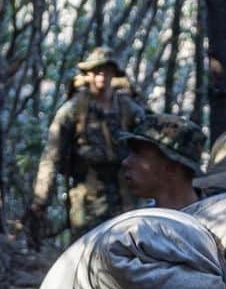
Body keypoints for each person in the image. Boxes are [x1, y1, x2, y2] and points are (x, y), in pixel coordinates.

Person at [25, 46, 143, 243]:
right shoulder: (73, 110)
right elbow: (51, 156)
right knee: (85, 249)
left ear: (114, 74)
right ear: (87, 74)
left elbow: (148, 146)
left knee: (127, 247)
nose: (102, 76)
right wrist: (40, 200)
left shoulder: (128, 109)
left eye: (107, 71)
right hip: (87, 195)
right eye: (97, 71)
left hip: (125, 193)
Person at [119, 111, 206, 210]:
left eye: (138, 153)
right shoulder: (140, 222)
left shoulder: (216, 222)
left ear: (172, 168)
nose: (125, 162)